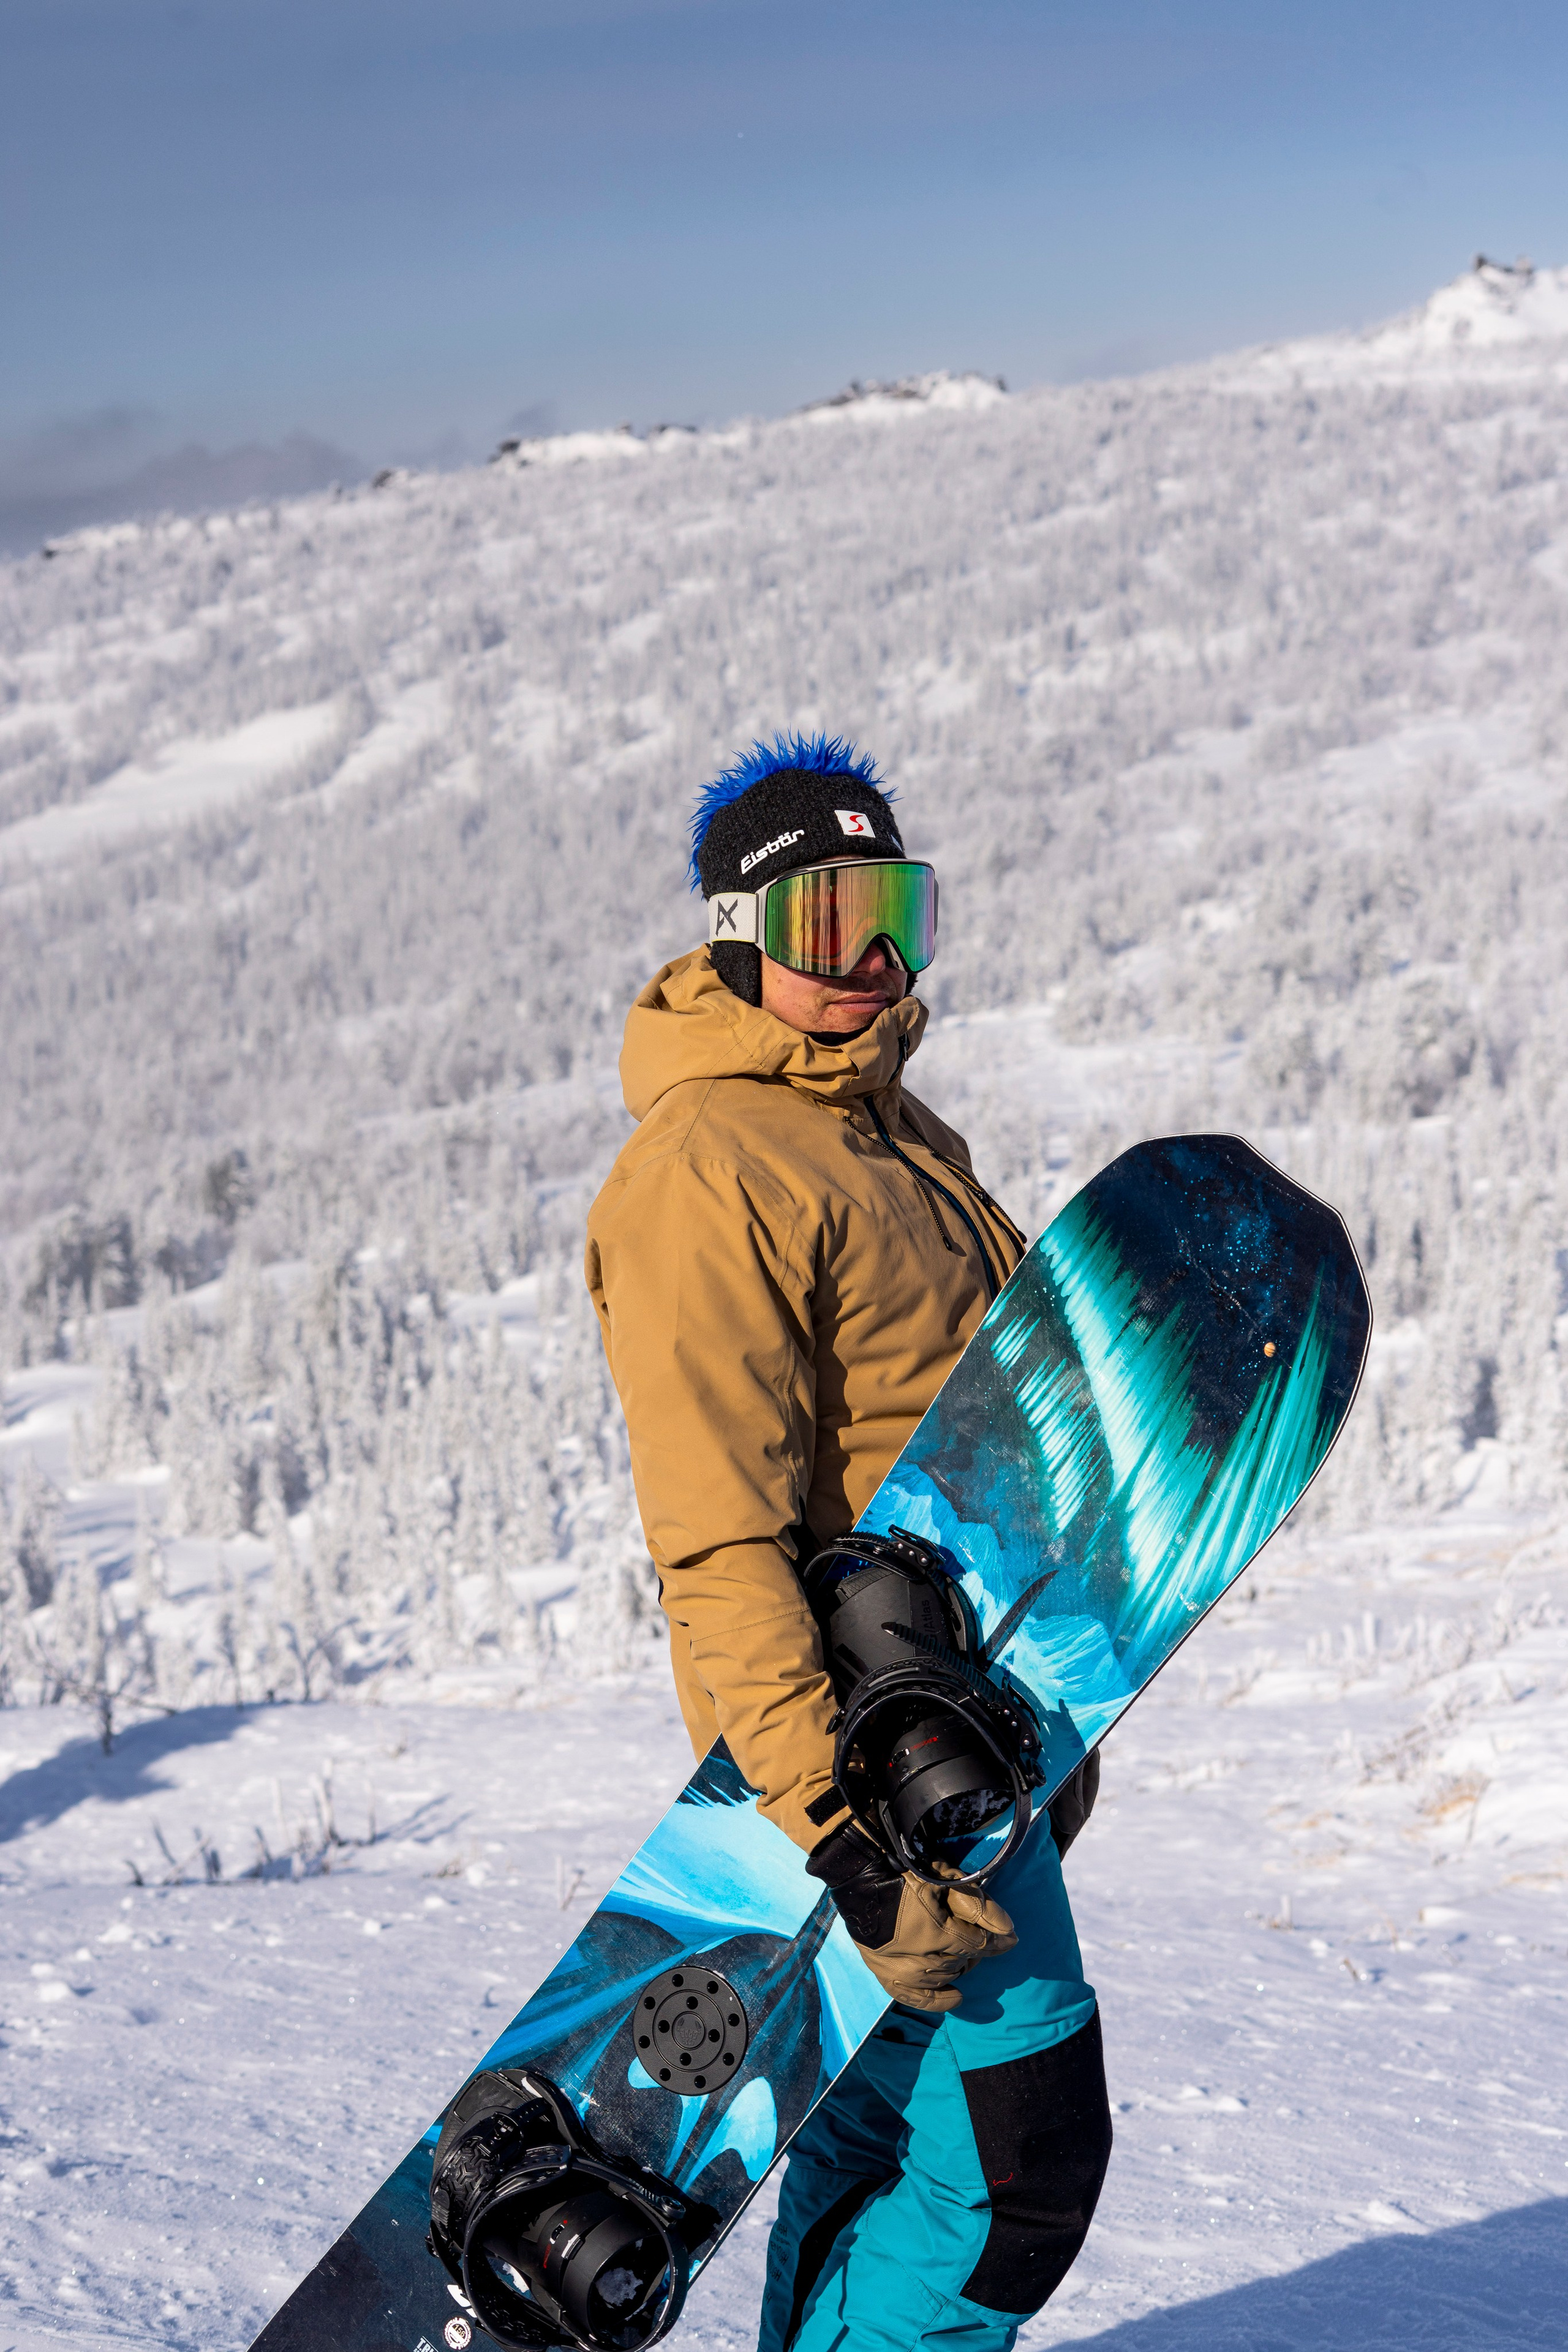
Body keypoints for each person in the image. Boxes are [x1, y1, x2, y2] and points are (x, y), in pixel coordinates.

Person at [585, 734, 1112, 2352]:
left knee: (880, 2137)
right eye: (831, 920)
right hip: (863, 1767)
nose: (876, 958)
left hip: (966, 1725)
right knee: (1022, 2169)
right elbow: (718, 1541)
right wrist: (835, 1830)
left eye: (901, 908)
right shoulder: (706, 1167)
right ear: (744, 935)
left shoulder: (888, 1127)